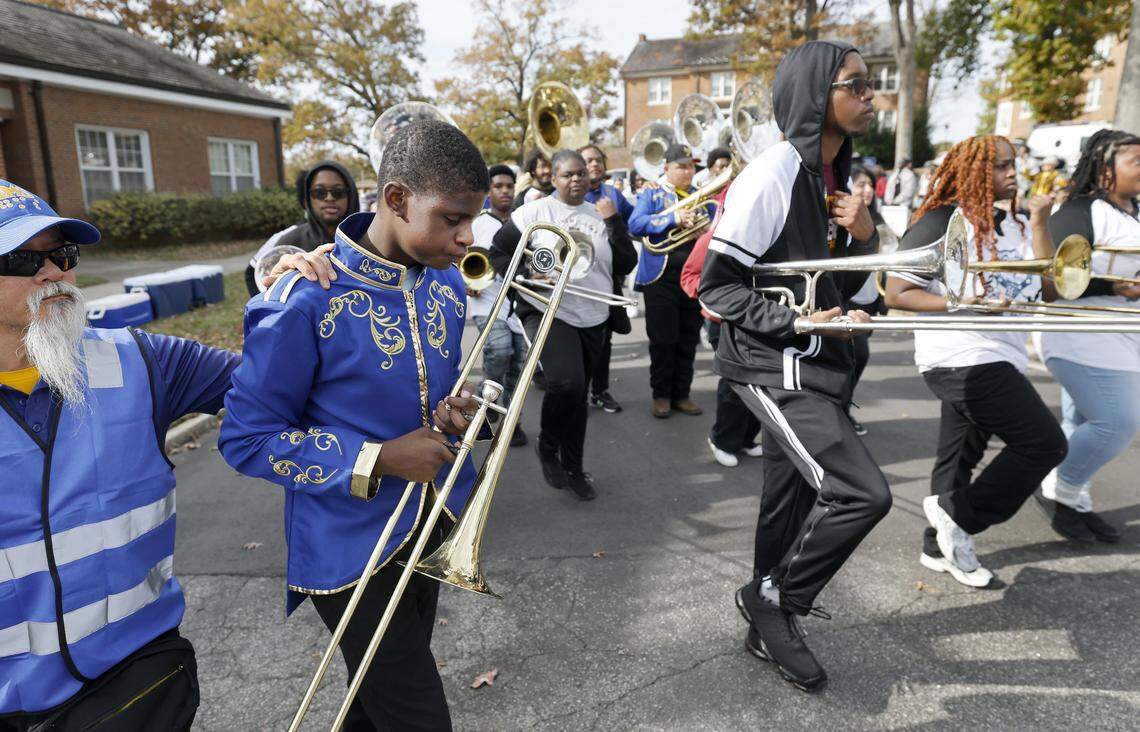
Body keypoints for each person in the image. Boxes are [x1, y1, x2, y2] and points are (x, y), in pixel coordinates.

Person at [219, 121, 490, 731]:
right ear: (395, 199)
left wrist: (454, 411)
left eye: (471, 218)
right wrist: (380, 459)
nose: (466, 237)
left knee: (370, 706)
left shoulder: (445, 281)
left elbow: (432, 394)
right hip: (347, 550)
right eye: (451, 218)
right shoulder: (304, 297)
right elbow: (245, 438)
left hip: (427, 527)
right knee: (417, 716)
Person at [0, 180, 238, 729]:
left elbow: (281, 385)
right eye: (21, 258)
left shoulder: (143, 361)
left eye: (63, 254)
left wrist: (299, 292)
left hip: (142, 683)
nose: (54, 273)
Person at [699, 41, 885, 692]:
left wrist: (866, 240)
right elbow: (716, 288)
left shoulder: (836, 179)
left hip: (820, 365)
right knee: (862, 493)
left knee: (789, 499)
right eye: (855, 84)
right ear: (815, 94)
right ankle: (774, 601)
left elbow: (862, 294)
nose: (870, 94)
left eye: (871, 84)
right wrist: (803, 321)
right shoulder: (774, 171)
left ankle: (763, 633)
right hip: (772, 367)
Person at [885, 135, 1068, 590]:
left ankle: (939, 546)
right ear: (973, 172)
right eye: (1000, 166)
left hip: (1001, 353)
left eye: (1013, 165)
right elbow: (897, 293)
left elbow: (1052, 289)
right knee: (1046, 445)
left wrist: (1041, 220)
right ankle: (957, 515)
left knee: (958, 456)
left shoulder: (1018, 224)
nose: (1013, 173)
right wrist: (964, 303)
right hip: (960, 355)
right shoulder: (942, 221)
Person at [490, 150, 637, 501]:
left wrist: (615, 221)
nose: (576, 180)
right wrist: (527, 272)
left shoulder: (601, 213)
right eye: (568, 174)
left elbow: (627, 261)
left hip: (595, 314)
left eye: (581, 174)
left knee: (579, 396)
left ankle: (574, 467)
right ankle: (548, 445)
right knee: (566, 382)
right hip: (548, 308)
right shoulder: (534, 212)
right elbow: (498, 252)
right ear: (553, 178)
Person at [1035, 129, 1140, 542]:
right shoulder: (1080, 211)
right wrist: (1111, 286)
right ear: (1105, 167)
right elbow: (1055, 279)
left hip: (1121, 333)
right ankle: (1060, 488)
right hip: (1080, 331)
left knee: (1080, 422)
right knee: (1116, 423)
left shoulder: (1134, 211)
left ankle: (1071, 501)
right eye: (1135, 160)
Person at [680, 184, 762, 467]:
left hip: (755, 321)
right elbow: (689, 276)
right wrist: (711, 299)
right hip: (722, 323)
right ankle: (722, 439)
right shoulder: (715, 235)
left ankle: (747, 438)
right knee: (735, 382)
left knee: (759, 383)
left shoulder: (766, 235)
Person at [630, 143, 712, 418]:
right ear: (666, 168)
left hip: (691, 277)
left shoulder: (700, 196)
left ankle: (682, 394)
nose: (688, 171)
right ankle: (661, 395)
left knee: (688, 338)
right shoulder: (653, 194)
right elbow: (635, 224)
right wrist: (674, 218)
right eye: (682, 166)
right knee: (663, 340)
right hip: (660, 277)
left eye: (691, 166)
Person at [470, 164, 529, 447]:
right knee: (500, 349)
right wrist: (465, 280)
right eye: (498, 186)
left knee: (520, 363)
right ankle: (488, 401)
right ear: (489, 191)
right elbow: (461, 258)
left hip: (520, 304)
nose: (505, 191)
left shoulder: (523, 221)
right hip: (486, 303)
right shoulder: (477, 223)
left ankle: (511, 422)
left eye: (509, 186)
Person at [244, 161, 360, 296]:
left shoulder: (366, 239)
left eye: (338, 192)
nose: (329, 198)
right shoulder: (289, 240)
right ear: (307, 200)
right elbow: (253, 275)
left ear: (351, 196)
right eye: (319, 192)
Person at [579, 143, 634, 414]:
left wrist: (614, 220)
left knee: (604, 339)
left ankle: (599, 391)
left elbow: (633, 226)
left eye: (598, 160)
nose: (594, 165)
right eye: (588, 161)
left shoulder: (613, 193)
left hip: (608, 278)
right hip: (575, 280)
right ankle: (575, 389)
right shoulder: (565, 195)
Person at [844, 164, 889, 436]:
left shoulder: (879, 219)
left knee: (854, 359)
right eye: (861, 184)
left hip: (869, 298)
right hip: (847, 297)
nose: (868, 190)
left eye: (870, 185)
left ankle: (841, 408)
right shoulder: (841, 218)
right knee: (858, 355)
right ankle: (841, 410)